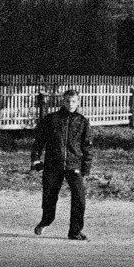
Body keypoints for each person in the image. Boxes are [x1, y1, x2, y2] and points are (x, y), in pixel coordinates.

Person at [31, 87, 92, 240]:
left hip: (74, 165)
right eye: (67, 101)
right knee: (49, 198)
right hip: (53, 164)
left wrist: (86, 167)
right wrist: (36, 159)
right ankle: (46, 221)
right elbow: (39, 141)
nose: (70, 104)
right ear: (62, 101)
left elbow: (87, 146)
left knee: (79, 199)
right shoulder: (51, 119)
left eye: (73, 101)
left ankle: (75, 231)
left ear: (78, 103)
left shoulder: (82, 121)